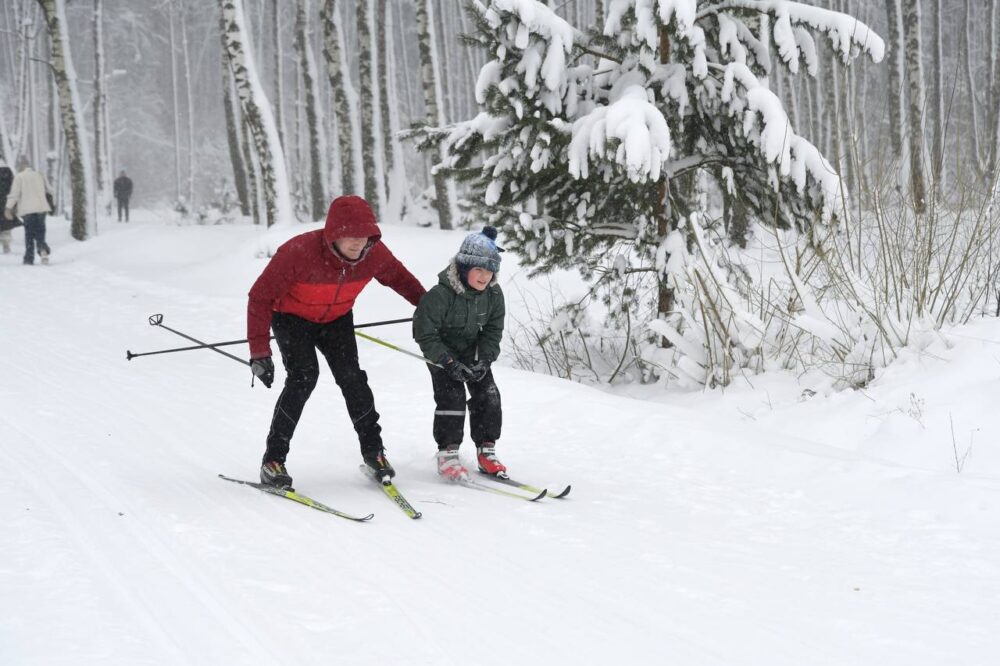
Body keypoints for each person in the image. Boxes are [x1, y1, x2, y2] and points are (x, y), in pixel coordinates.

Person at [247, 195, 426, 489]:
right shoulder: (298, 252)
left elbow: (402, 280)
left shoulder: (374, 253)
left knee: (352, 378)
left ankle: (374, 453)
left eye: (365, 236)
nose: (359, 243)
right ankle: (273, 461)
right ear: (333, 235)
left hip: (336, 319)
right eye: (351, 236)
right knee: (304, 377)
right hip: (291, 317)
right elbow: (260, 297)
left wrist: (429, 309)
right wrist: (259, 352)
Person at [412, 226, 507, 481]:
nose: (484, 277)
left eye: (489, 271)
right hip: (442, 352)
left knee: (488, 395)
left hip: (473, 351)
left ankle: (487, 449)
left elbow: (492, 331)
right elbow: (424, 333)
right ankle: (448, 453)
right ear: (464, 268)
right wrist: (447, 361)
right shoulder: (440, 295)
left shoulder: (494, 295)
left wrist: (485, 359)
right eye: (479, 269)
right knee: (451, 397)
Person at [3, 155, 52, 265]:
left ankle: (29, 258)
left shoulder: (19, 177)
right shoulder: (39, 175)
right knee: (40, 230)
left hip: (27, 210)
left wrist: (8, 208)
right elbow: (50, 190)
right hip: (41, 208)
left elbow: (14, 195)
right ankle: (43, 250)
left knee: (29, 233)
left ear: (20, 167)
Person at [0, 160, 15, 253]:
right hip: (6, 202)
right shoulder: (8, 171)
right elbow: (13, 187)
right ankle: (6, 244)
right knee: (6, 225)